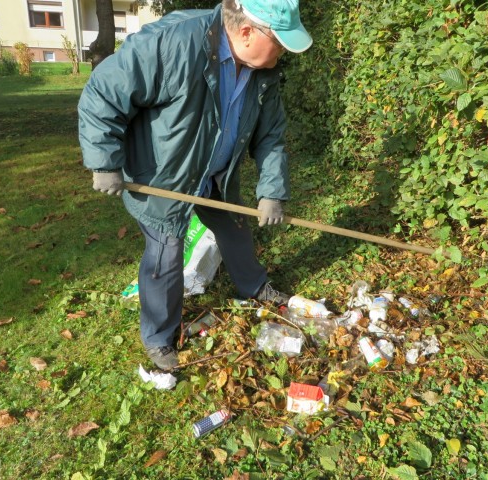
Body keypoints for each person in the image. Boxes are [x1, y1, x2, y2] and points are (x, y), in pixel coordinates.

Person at [77, 0, 312, 370]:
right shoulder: (173, 43)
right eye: (280, 43)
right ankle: (159, 338)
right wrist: (103, 161)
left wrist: (272, 191)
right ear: (248, 31)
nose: (282, 52)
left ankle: (254, 286)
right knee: (165, 255)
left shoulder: (262, 71)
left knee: (235, 230)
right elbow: (103, 92)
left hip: (216, 174)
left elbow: (271, 136)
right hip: (164, 177)